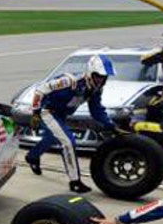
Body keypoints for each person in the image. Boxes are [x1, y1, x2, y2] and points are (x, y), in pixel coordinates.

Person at [25, 54, 118, 193]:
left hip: (60, 114)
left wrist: (111, 125)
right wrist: (36, 112)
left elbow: (96, 110)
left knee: (51, 138)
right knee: (68, 142)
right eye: (98, 76)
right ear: (90, 72)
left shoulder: (95, 89)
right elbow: (40, 90)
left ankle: (32, 156)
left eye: (104, 77)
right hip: (47, 111)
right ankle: (75, 181)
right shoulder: (69, 81)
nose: (101, 80)